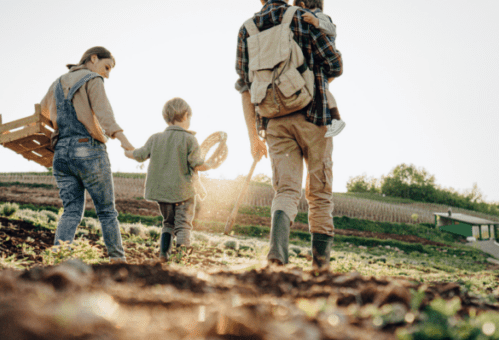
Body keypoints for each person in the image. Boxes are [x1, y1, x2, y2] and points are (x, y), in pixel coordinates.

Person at [236, 0, 342, 269]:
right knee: (319, 192)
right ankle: (320, 266)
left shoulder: (247, 29)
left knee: (285, 190)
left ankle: (277, 256)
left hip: (274, 122)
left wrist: (253, 137)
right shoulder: (303, 17)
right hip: (313, 115)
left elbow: (245, 88)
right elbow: (335, 63)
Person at [40, 46, 134, 262]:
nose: (107, 74)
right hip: (88, 150)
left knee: (71, 211)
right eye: (106, 67)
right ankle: (118, 262)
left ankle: (59, 260)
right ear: (93, 59)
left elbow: (42, 113)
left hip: (61, 154)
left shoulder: (57, 82)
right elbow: (105, 116)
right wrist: (125, 142)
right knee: (107, 212)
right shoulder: (93, 79)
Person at [126, 98, 222, 261]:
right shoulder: (190, 139)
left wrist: (127, 151)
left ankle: (163, 255)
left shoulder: (155, 138)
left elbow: (139, 155)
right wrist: (213, 163)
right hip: (183, 192)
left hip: (163, 193)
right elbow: (197, 165)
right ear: (185, 116)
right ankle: (182, 258)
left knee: (168, 223)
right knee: (183, 225)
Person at [295, 0, 345, 138]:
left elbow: (332, 29)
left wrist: (316, 22)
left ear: (304, 4)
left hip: (322, 62)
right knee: (322, 90)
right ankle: (335, 118)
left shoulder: (320, 16)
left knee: (323, 90)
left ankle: (336, 118)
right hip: (318, 61)